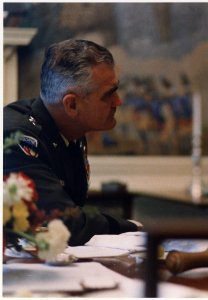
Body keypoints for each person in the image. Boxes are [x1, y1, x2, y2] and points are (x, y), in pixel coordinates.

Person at [3, 39, 143, 246]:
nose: (118, 102)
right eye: (108, 95)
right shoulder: (15, 137)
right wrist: (132, 227)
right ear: (72, 104)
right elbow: (64, 224)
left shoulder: (70, 128)